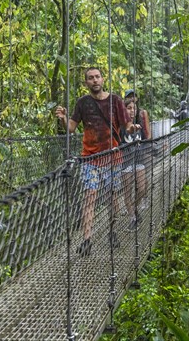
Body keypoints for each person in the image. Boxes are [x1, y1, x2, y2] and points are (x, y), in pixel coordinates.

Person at [56, 67, 140, 256]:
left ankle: (111, 231)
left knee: (112, 197)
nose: (94, 80)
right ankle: (87, 240)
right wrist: (63, 119)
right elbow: (71, 128)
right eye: (90, 78)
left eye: (97, 77)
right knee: (90, 197)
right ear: (86, 83)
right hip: (90, 158)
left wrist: (134, 128)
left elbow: (127, 126)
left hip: (112, 158)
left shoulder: (116, 101)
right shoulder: (82, 103)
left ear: (103, 79)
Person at [120, 95, 151, 231]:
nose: (132, 111)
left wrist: (157, 150)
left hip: (138, 160)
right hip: (125, 161)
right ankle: (132, 218)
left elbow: (145, 141)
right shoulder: (119, 125)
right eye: (129, 108)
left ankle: (133, 207)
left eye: (134, 108)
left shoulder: (139, 123)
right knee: (127, 191)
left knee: (142, 188)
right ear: (124, 110)